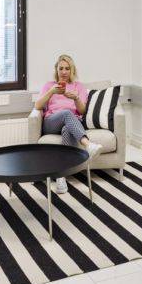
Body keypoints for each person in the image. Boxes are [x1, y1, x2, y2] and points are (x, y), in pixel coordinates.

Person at [35, 54, 102, 193]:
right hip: (51, 122)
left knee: (67, 129)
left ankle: (61, 177)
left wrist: (76, 98)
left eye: (67, 68)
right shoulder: (49, 86)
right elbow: (38, 106)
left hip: (72, 123)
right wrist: (51, 91)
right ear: (56, 70)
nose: (64, 72)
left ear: (72, 70)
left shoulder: (79, 87)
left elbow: (82, 111)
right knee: (66, 112)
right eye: (61, 68)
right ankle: (88, 145)